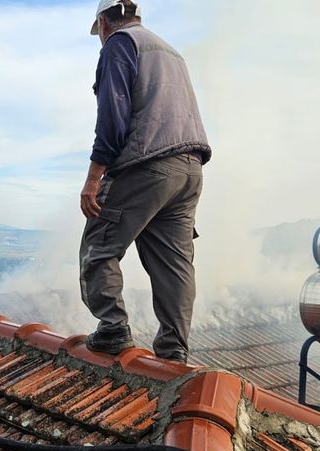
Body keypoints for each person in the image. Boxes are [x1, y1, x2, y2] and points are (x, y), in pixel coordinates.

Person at [79, 0, 211, 363]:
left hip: (147, 165)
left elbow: (113, 116)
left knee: (98, 247)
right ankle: (173, 351)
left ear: (104, 22)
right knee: (174, 263)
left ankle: (112, 328)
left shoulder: (120, 44)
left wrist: (93, 179)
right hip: (190, 170)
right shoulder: (171, 52)